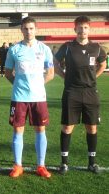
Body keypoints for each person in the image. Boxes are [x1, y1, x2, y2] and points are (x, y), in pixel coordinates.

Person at [54, 15, 107, 174]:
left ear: (89, 29)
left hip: (91, 92)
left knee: (91, 127)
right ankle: (64, 163)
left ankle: (92, 163)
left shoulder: (97, 47)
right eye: (80, 27)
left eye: (85, 27)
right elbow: (55, 63)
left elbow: (102, 64)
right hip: (72, 92)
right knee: (68, 127)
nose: (82, 30)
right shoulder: (68, 46)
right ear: (75, 29)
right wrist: (64, 76)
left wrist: (93, 78)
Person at [5, 16, 54, 178]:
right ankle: (18, 165)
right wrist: (19, 85)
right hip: (19, 97)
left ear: (36, 29)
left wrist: (38, 85)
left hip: (39, 97)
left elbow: (51, 73)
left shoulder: (44, 49)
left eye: (31, 28)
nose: (28, 31)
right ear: (21, 30)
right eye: (25, 28)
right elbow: (7, 73)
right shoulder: (14, 50)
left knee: (40, 129)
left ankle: (41, 165)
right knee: (18, 130)